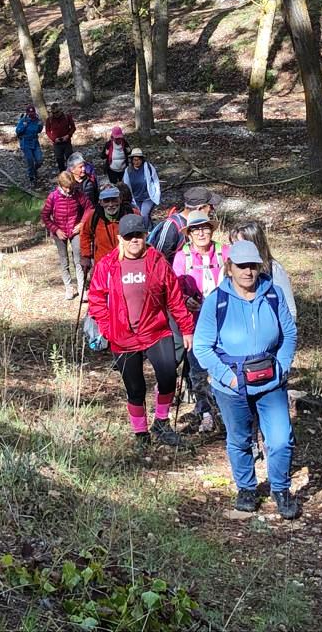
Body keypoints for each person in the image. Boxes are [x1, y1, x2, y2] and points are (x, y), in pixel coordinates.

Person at [193, 240, 299, 517]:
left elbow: (289, 333)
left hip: (271, 381)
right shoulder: (217, 300)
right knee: (239, 438)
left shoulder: (273, 294)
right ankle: (247, 488)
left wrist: (283, 366)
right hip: (231, 385)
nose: (248, 272)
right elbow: (202, 346)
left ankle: (281, 490)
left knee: (280, 439)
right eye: (241, 266)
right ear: (229, 268)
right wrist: (228, 379)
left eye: (252, 266)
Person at [88, 213, 194, 450]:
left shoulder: (157, 262)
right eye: (129, 236)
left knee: (168, 377)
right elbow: (96, 299)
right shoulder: (107, 265)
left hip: (155, 330)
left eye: (139, 235)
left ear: (146, 236)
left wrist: (186, 329)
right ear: (120, 239)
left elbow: (175, 298)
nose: (134, 240)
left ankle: (162, 422)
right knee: (135, 388)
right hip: (123, 337)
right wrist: (107, 329)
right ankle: (141, 434)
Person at [172, 211, 229, 433]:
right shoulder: (182, 257)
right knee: (197, 370)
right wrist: (186, 300)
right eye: (196, 229)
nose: (201, 233)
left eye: (205, 228)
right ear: (189, 234)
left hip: (224, 321)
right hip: (194, 324)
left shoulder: (225, 253)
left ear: (212, 230)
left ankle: (226, 411)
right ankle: (205, 411)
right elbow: (174, 290)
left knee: (224, 366)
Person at [228, 222, 297, 320]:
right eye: (233, 244)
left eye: (240, 243)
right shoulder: (230, 268)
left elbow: (290, 310)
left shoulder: (274, 269)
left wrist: (285, 332)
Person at [149, 186, 223, 266]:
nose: (212, 210)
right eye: (210, 206)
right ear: (200, 208)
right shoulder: (172, 226)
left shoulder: (200, 225)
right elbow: (158, 258)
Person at [41, 171, 86, 300]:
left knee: (78, 259)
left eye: (71, 187)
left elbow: (89, 208)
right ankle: (69, 288)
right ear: (60, 185)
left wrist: (82, 223)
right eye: (66, 187)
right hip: (59, 232)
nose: (68, 190)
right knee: (64, 260)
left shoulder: (78, 194)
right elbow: (45, 216)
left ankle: (82, 288)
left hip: (74, 230)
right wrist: (56, 230)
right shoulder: (53, 197)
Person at [80, 187, 136, 272]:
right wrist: (85, 256)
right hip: (103, 263)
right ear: (100, 202)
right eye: (106, 201)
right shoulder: (93, 216)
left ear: (120, 199)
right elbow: (85, 234)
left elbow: (142, 236)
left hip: (127, 262)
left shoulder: (132, 214)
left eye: (114, 200)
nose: (110, 204)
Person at [121, 149, 160, 229]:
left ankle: (144, 232)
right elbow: (126, 185)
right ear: (132, 160)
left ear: (142, 159)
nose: (137, 162)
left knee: (143, 214)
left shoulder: (148, 167)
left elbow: (155, 180)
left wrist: (157, 194)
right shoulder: (128, 170)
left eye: (138, 159)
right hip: (136, 198)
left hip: (148, 197)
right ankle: (151, 228)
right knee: (140, 215)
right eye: (134, 160)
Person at [16, 106, 44, 188]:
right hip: (26, 143)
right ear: (27, 113)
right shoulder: (23, 120)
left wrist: (40, 126)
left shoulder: (37, 120)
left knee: (39, 160)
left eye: (33, 112)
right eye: (30, 112)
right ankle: (31, 178)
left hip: (35, 142)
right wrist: (24, 126)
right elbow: (18, 131)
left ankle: (35, 170)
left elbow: (38, 130)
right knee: (30, 161)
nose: (32, 114)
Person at [45, 102, 76, 172]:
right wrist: (54, 139)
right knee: (59, 159)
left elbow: (73, 128)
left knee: (69, 157)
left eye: (57, 112)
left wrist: (68, 135)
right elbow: (47, 131)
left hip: (67, 141)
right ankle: (63, 174)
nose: (55, 114)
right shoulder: (49, 120)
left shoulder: (67, 117)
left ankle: (71, 172)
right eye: (53, 113)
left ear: (60, 110)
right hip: (57, 143)